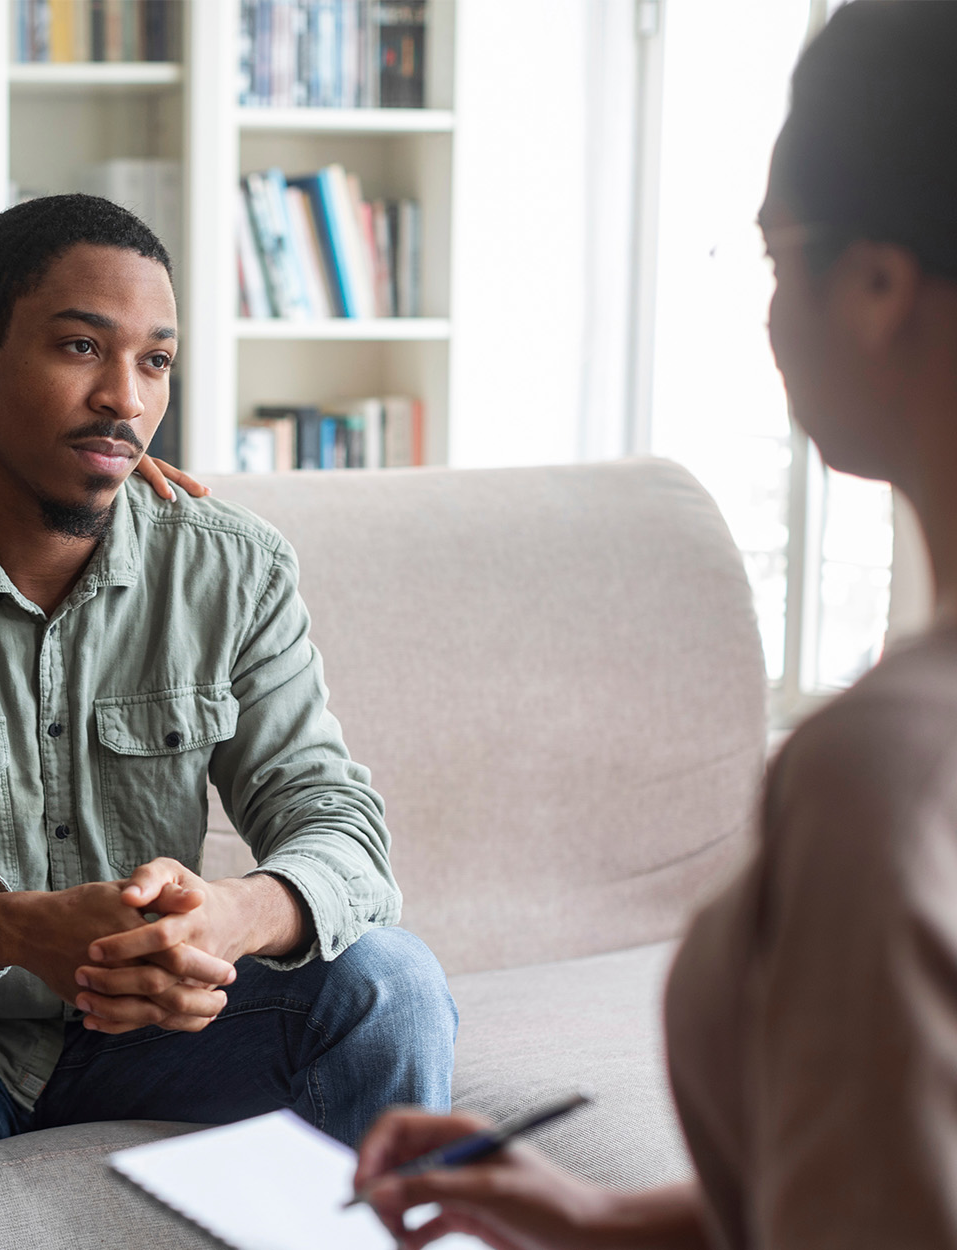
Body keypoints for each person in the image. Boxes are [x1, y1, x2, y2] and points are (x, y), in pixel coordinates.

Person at [0, 193, 459, 1250]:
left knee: (391, 980)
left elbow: (339, 825)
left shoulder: (229, 568)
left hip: (181, 1033)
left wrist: (228, 914)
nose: (122, 397)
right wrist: (22, 929)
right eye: (81, 347)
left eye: (154, 361)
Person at [352, 5, 957, 1248]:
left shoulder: (884, 771)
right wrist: (591, 1220)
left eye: (775, 260)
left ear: (879, 285)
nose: (768, 314)